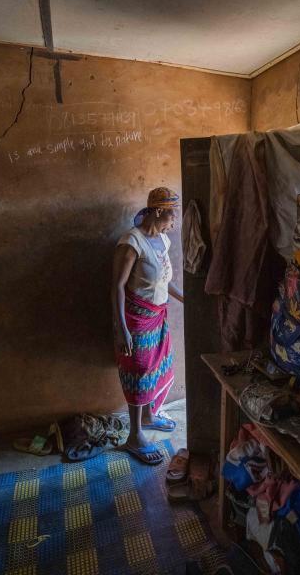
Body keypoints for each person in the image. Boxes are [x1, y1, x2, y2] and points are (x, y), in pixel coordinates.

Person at [111, 187, 184, 465]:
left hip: (158, 316)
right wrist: (122, 329)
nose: (173, 221)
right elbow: (117, 286)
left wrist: (183, 299)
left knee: (157, 366)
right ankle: (135, 435)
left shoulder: (162, 241)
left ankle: (149, 415)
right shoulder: (131, 243)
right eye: (171, 214)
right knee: (139, 370)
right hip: (137, 318)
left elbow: (164, 282)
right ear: (156, 211)